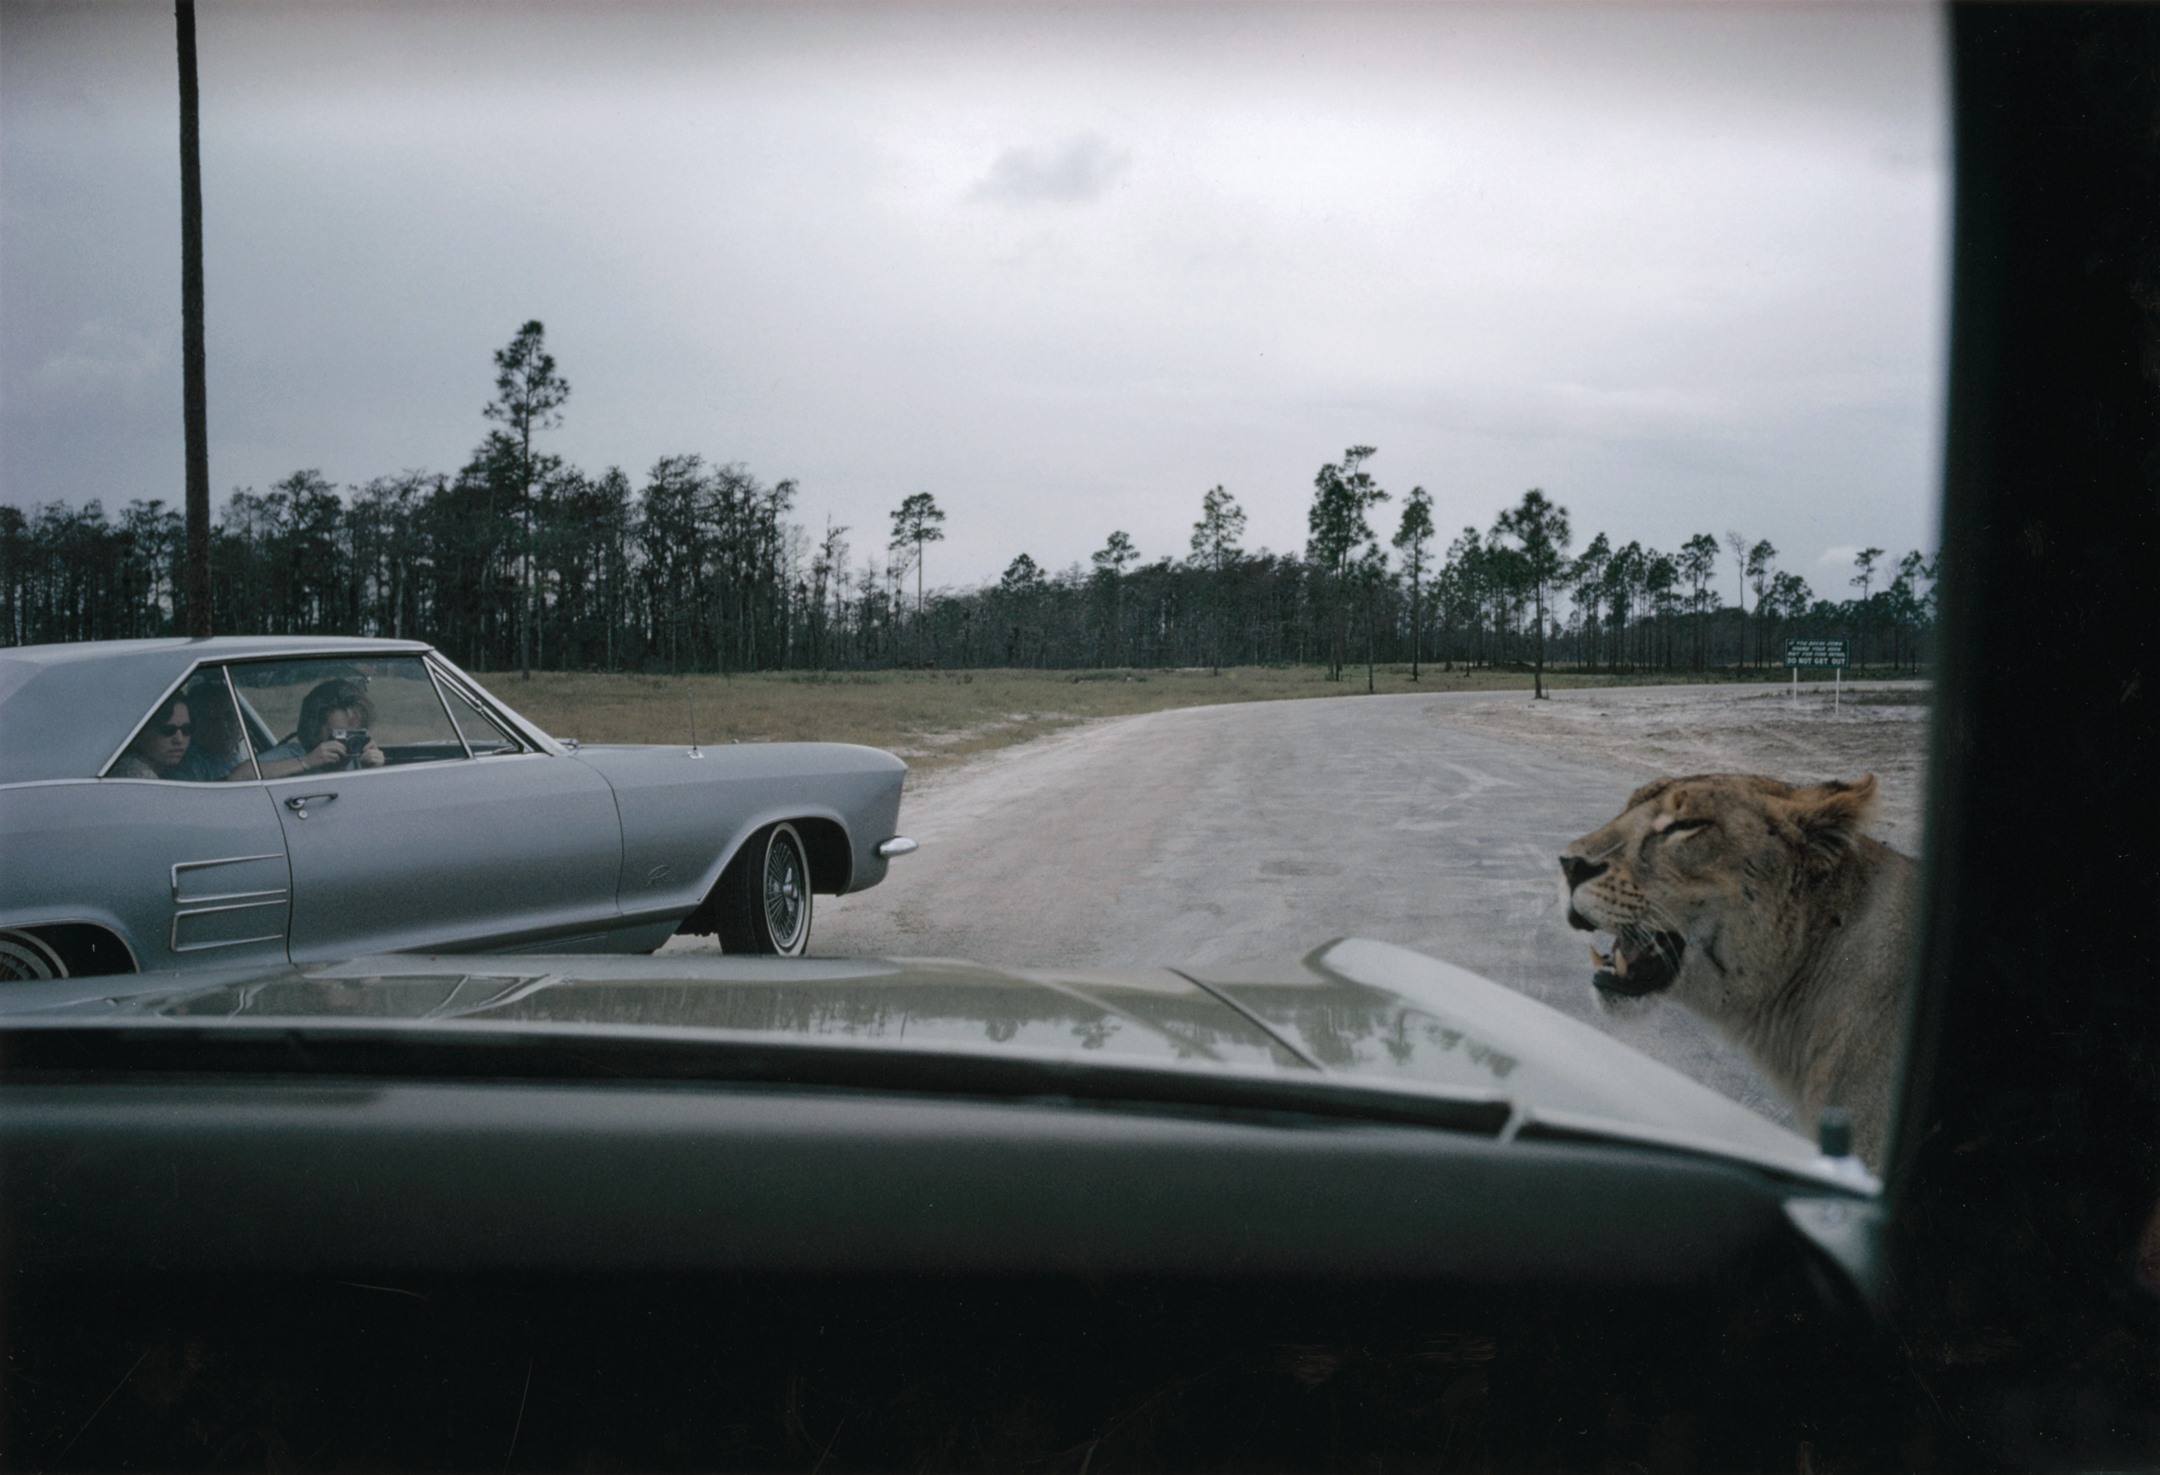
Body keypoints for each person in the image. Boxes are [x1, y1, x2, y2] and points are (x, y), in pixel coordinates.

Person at [246, 677, 386, 779]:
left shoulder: (358, 760)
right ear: (314, 729)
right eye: (338, 735)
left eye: (353, 735)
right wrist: (307, 762)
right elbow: (238, 776)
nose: (345, 743)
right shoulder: (294, 754)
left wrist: (375, 773)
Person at [109, 695, 193, 778]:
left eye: (186, 729)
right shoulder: (136, 774)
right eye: (168, 730)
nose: (179, 740)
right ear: (142, 731)